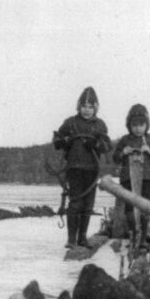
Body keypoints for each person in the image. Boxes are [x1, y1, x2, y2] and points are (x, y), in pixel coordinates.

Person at [52, 87, 111, 248]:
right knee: (75, 203)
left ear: (95, 108)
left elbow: (107, 146)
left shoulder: (100, 125)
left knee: (88, 204)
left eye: (90, 107)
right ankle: (71, 240)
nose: (87, 110)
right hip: (74, 168)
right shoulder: (70, 122)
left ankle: (82, 238)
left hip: (92, 170)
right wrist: (64, 141)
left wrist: (96, 144)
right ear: (79, 106)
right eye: (84, 106)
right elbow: (57, 139)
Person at [112, 103, 150, 244]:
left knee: (145, 207)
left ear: (146, 125)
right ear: (129, 125)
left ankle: (142, 239)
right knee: (130, 207)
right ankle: (134, 236)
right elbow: (115, 158)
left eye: (141, 125)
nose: (138, 128)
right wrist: (123, 152)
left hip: (148, 178)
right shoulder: (125, 140)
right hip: (128, 178)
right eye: (134, 125)